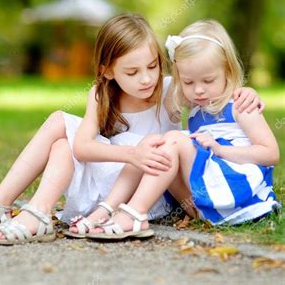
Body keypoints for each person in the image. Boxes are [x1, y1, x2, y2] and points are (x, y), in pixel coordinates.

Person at [0, 14, 263, 245]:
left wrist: (246, 92)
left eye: (152, 66)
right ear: (107, 71)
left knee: (59, 124)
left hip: (141, 190)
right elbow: (82, 148)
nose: (146, 79)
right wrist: (130, 153)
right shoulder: (100, 95)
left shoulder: (170, 91)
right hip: (101, 184)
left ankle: (13, 209)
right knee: (59, 133)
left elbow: (210, 88)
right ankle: (11, 207)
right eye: (133, 71)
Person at [86, 20, 280, 240]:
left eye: (208, 80)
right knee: (155, 145)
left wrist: (221, 150)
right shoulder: (196, 107)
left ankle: (135, 212)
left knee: (173, 139)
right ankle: (113, 208)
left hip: (236, 193)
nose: (198, 90)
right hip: (205, 200)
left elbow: (271, 153)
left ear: (228, 70)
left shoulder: (240, 105)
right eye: (188, 82)